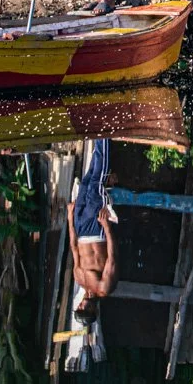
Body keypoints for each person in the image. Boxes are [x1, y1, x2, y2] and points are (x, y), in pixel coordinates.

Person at [68, 139, 116, 326]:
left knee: (88, 179)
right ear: (94, 310)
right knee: (98, 179)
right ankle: (104, 133)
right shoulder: (105, 287)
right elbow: (112, 257)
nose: (82, 306)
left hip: (80, 228)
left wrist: (71, 219)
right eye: (85, 310)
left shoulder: (80, 279)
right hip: (97, 229)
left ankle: (98, 133)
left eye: (79, 308)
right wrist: (107, 226)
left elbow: (73, 248)